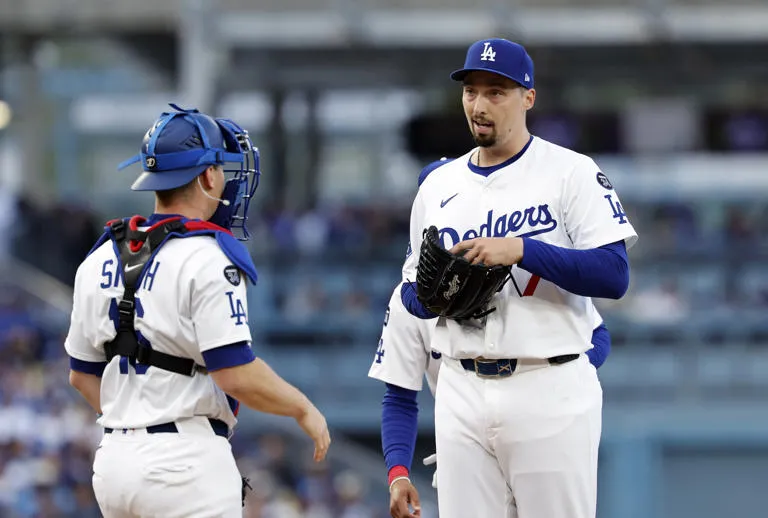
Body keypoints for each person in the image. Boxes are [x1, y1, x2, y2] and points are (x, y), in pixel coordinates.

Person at [395, 38, 638, 518]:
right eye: (471, 92)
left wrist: (522, 249)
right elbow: (410, 296)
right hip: (461, 385)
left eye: (496, 92)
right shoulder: (438, 187)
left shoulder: (571, 173)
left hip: (548, 381)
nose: (479, 105)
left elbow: (614, 274)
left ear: (528, 97)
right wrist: (443, 293)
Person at [64, 104, 331, 517]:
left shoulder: (99, 257)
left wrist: (138, 422)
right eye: (222, 168)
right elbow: (234, 372)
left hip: (114, 460)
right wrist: (302, 407)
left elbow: (81, 375)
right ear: (207, 176)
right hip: (183, 464)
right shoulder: (209, 257)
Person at [369, 283, 613, 518]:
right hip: (467, 430)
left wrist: (555, 377)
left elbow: (597, 332)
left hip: (539, 417)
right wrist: (398, 473)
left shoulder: (512, 269)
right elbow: (399, 398)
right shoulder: (410, 299)